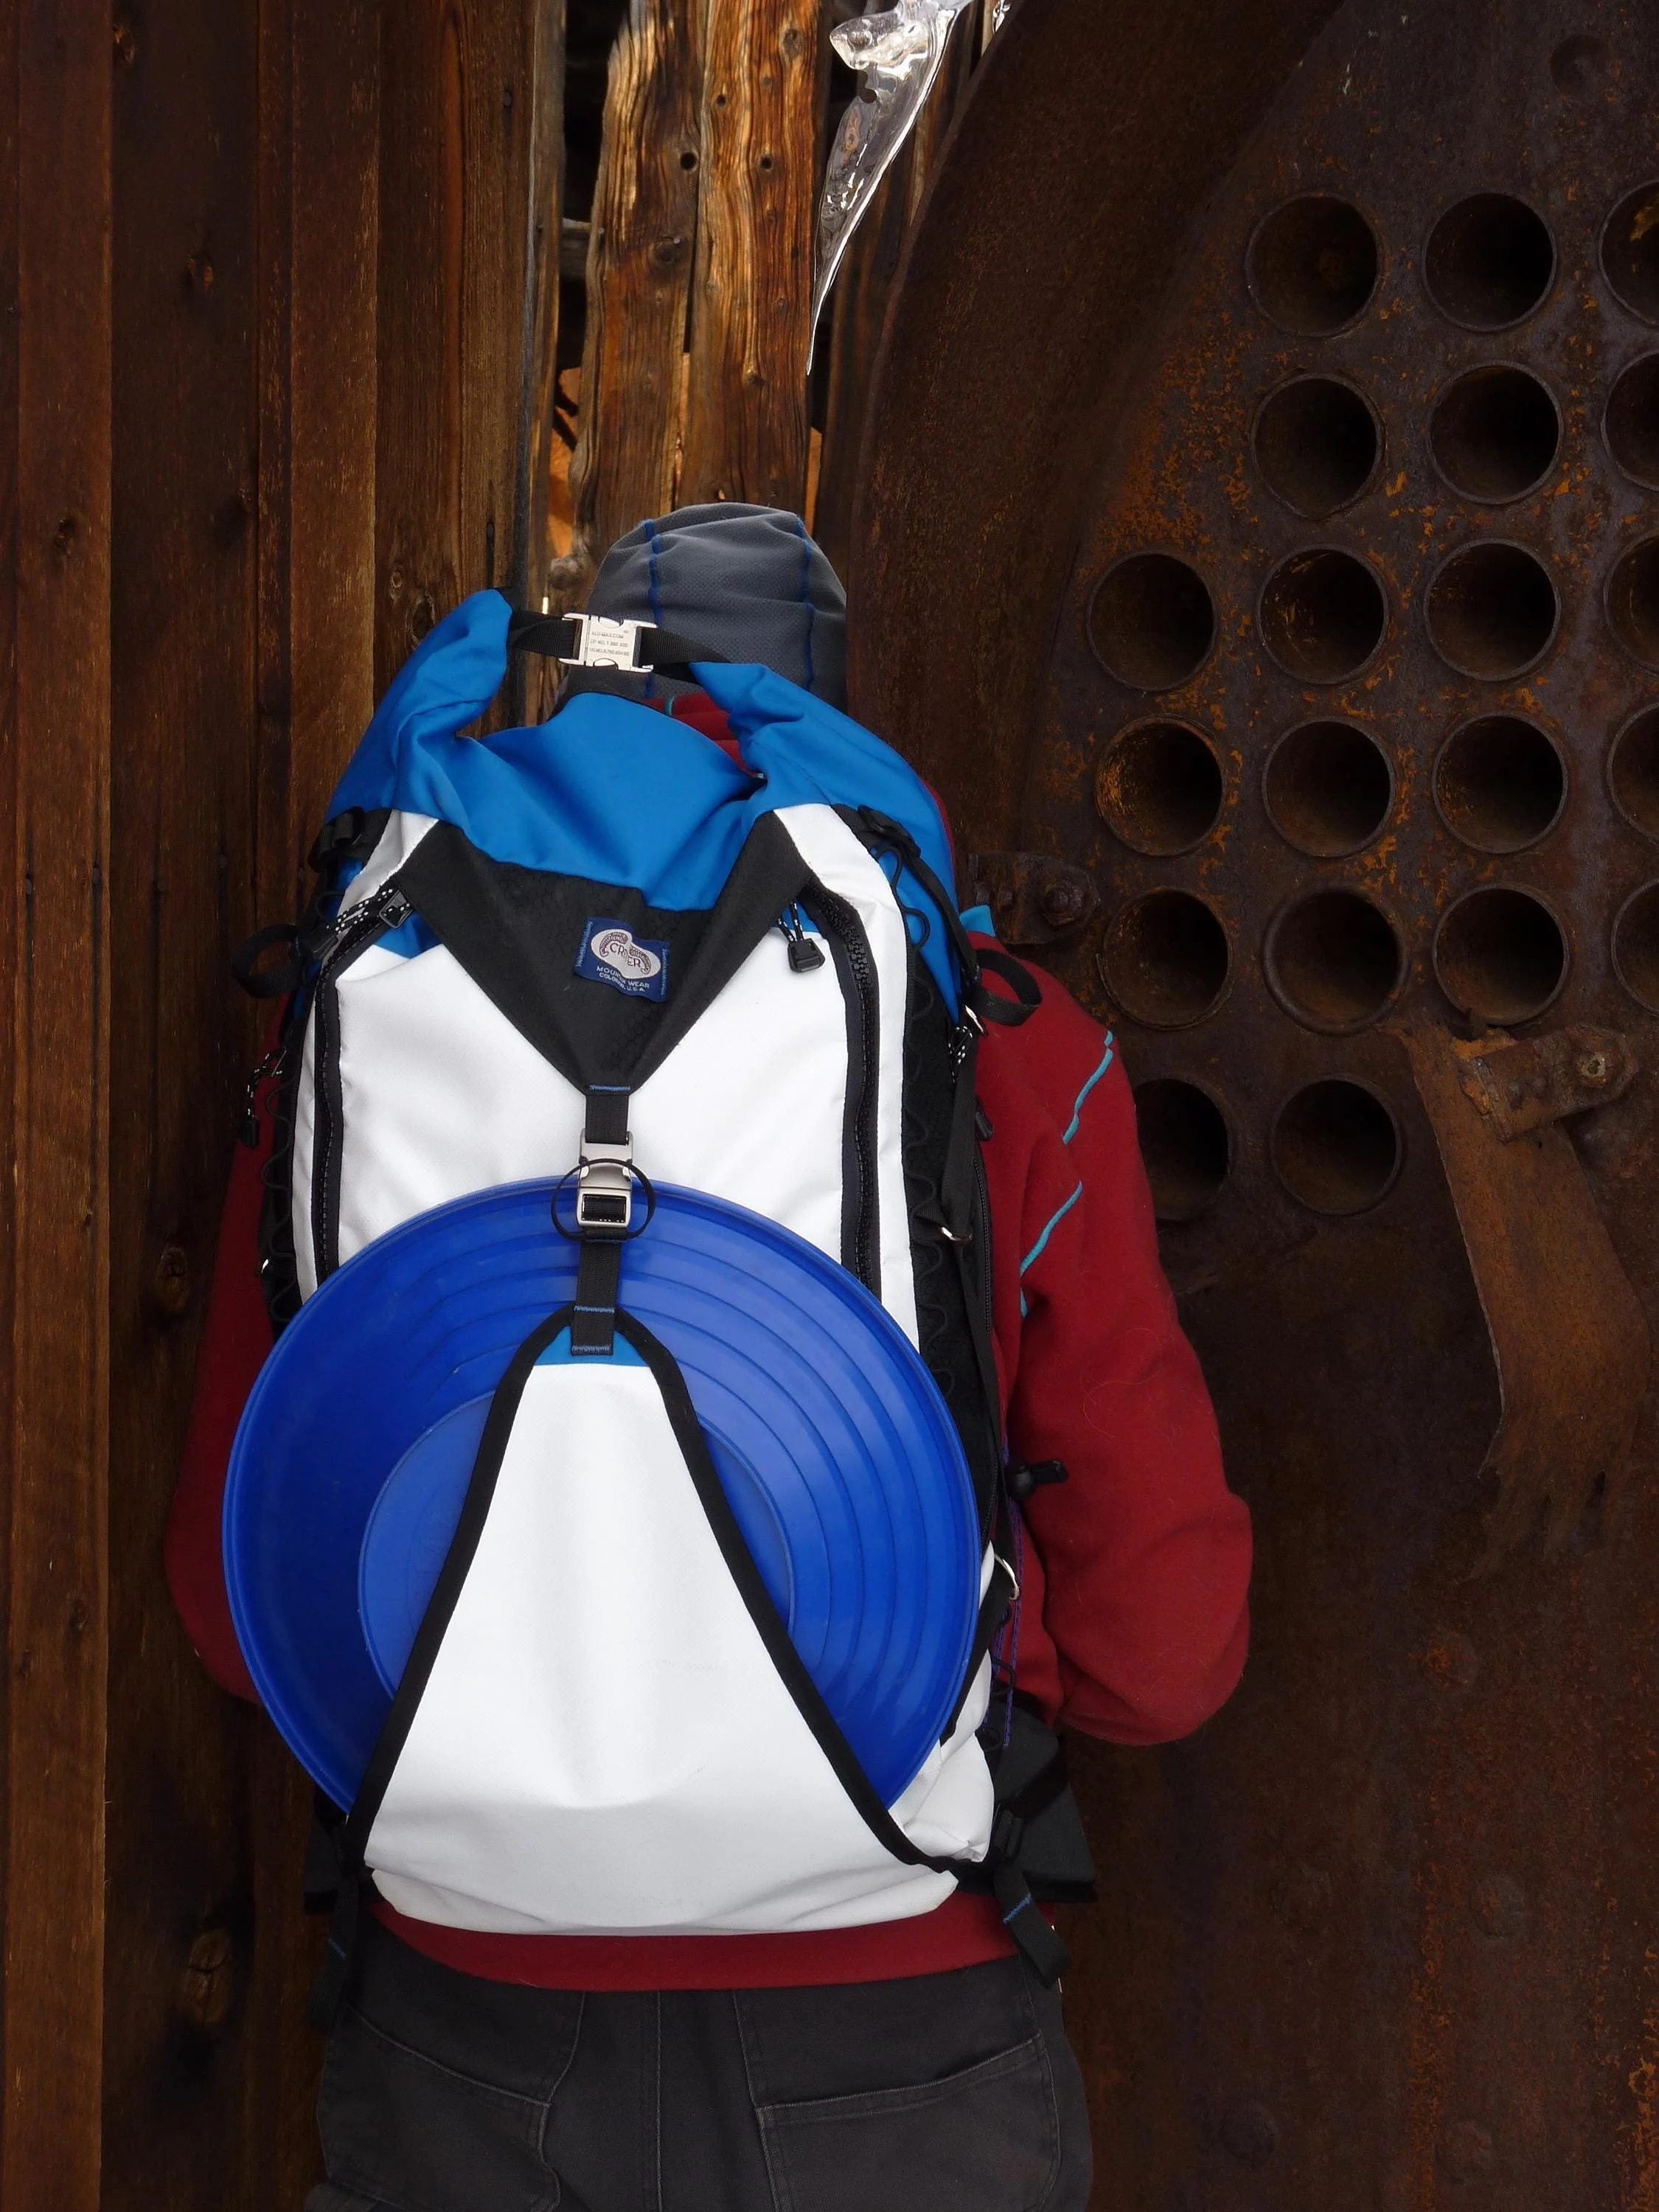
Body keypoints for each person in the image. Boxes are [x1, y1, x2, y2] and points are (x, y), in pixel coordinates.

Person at [167, 504, 1252, 2212]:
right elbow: (1163, 1657)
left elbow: (242, 1621)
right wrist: (903, 1625)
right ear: (822, 722)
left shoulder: (369, 1005)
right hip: (894, 2032)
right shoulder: (1006, 1048)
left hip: (467, 2028)